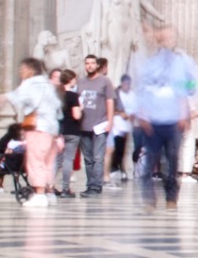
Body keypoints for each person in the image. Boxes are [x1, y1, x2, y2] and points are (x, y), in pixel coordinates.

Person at [128, 25, 198, 210]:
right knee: (150, 160)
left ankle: (171, 197)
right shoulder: (151, 63)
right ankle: (150, 199)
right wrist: (143, 114)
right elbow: (143, 90)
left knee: (172, 161)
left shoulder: (182, 62)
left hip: (174, 120)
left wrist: (185, 114)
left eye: (171, 37)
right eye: (165, 37)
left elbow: (189, 88)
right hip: (154, 120)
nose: (168, 41)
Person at [0, 58, 62, 209]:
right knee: (47, 163)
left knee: (35, 161)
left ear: (30, 70)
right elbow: (58, 108)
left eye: (22, 69)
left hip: (38, 127)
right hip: (52, 129)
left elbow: (8, 97)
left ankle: (40, 195)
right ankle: (49, 193)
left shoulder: (30, 84)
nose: (20, 72)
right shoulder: (48, 85)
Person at [74, 55, 117, 196]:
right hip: (83, 125)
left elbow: (110, 102)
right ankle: (90, 184)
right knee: (88, 158)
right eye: (87, 63)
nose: (90, 66)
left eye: (92, 63)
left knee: (98, 157)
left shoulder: (105, 81)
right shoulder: (80, 82)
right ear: (85, 65)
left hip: (100, 124)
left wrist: (110, 122)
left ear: (97, 65)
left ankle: (96, 186)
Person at [52, 68, 84, 197]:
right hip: (72, 131)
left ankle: (48, 185)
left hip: (59, 131)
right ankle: (66, 189)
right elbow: (76, 115)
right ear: (70, 80)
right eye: (74, 78)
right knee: (68, 160)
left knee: (57, 160)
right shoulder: (73, 96)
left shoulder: (57, 96)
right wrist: (81, 108)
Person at [111, 73, 136, 184]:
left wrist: (129, 115)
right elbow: (111, 108)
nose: (127, 86)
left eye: (129, 84)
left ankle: (123, 169)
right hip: (116, 124)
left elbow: (135, 108)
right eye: (125, 84)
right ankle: (114, 167)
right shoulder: (116, 94)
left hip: (127, 125)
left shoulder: (132, 94)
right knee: (116, 147)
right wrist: (120, 113)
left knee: (124, 149)